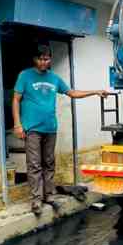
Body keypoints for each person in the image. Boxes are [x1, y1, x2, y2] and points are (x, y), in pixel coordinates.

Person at [13, 44, 109, 216]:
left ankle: (49, 196)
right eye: (40, 59)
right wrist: (17, 124)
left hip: (50, 128)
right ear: (35, 59)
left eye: (47, 59)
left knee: (49, 163)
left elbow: (72, 93)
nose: (43, 62)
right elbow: (16, 100)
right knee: (34, 164)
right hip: (32, 129)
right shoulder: (25, 76)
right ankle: (36, 200)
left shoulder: (54, 78)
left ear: (50, 60)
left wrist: (95, 92)